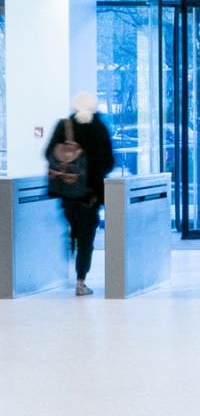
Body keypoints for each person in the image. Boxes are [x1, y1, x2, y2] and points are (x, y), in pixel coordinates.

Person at [45, 92, 115, 297]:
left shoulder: (64, 125)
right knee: (87, 236)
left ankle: (71, 241)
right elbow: (108, 161)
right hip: (90, 195)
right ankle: (80, 281)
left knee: (72, 227)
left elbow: (47, 153)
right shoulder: (98, 128)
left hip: (66, 191)